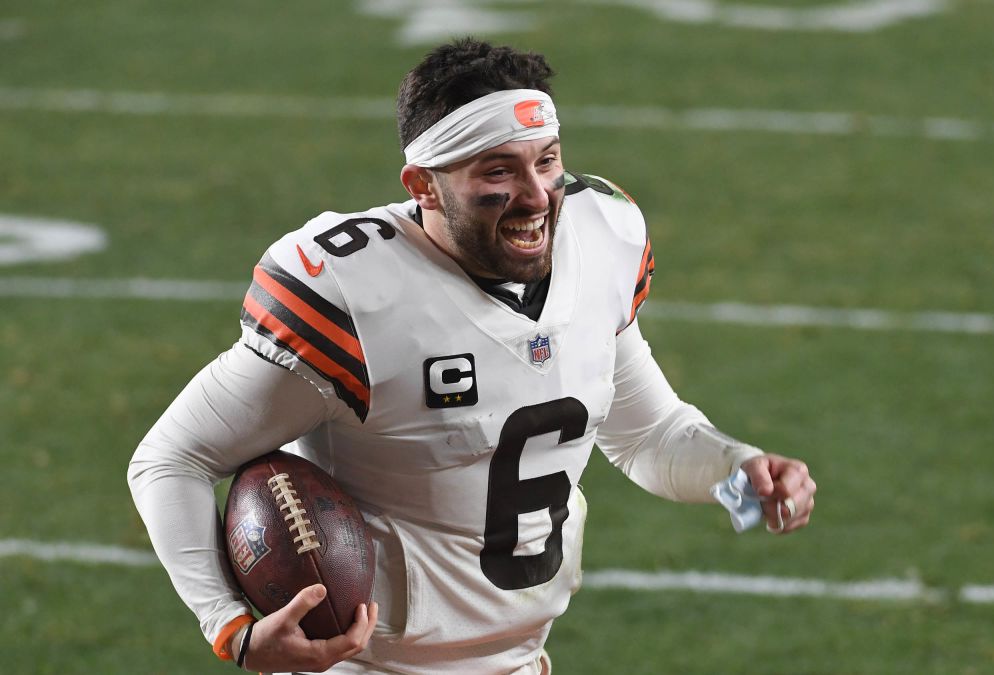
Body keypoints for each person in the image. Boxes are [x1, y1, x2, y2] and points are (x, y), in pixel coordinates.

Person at [128, 38, 816, 675]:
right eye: (498, 171)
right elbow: (172, 458)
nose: (538, 194)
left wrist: (738, 465)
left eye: (546, 160)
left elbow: (645, 433)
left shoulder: (600, 239)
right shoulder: (355, 296)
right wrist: (232, 629)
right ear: (423, 185)